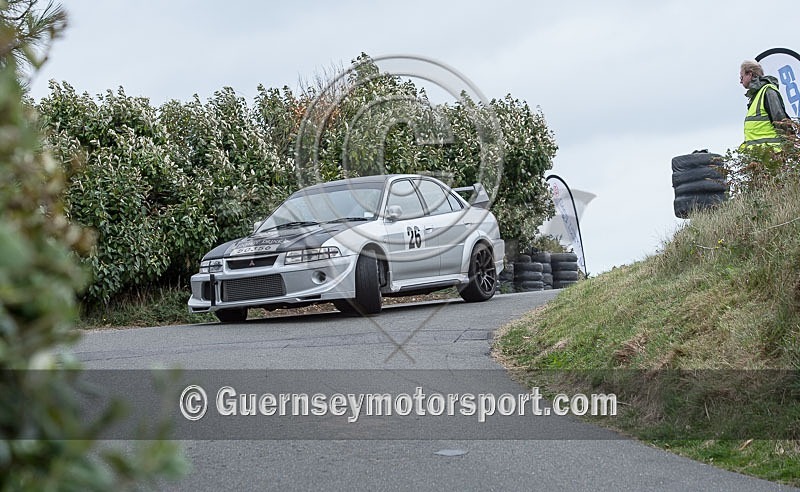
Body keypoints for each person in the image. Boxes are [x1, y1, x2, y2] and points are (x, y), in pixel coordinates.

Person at [739, 60, 791, 149]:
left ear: (750, 74)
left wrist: (789, 146)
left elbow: (780, 121)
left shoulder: (768, 91)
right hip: (761, 156)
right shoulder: (757, 96)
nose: (740, 81)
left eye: (741, 77)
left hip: (771, 154)